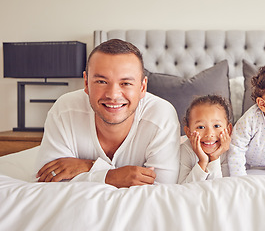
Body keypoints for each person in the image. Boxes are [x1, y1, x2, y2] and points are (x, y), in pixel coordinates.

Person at [35, 39, 181, 188]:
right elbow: (48, 182)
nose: (113, 95)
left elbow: (162, 189)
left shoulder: (161, 117)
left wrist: (89, 168)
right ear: (86, 83)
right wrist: (112, 176)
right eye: (101, 82)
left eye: (126, 83)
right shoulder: (64, 110)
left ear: (143, 87)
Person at [178, 95, 232, 184]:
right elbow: (184, 188)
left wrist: (214, 158)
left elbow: (220, 186)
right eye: (201, 127)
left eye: (217, 126)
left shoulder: (229, 150)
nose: (209, 134)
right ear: (188, 132)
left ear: (228, 130)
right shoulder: (185, 150)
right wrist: (202, 161)